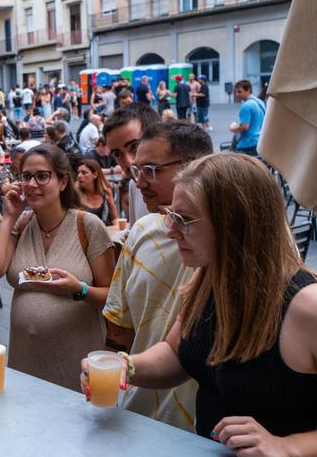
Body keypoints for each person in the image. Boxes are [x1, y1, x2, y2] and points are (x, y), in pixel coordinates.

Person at [86, 153, 317, 454]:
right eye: (171, 215)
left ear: (234, 223)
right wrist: (125, 366)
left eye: (183, 220)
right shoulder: (208, 278)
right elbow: (176, 352)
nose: (170, 230)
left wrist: (287, 447)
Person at [100, 119, 212, 432]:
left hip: (207, 429)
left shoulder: (231, 248)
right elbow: (120, 330)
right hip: (141, 414)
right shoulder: (141, 232)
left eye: (150, 170)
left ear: (196, 167)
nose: (137, 182)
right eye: (135, 170)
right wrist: (111, 374)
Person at [0, 145, 115, 391]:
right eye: (26, 176)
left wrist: (80, 289)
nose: (32, 184)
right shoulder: (21, 223)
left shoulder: (88, 225)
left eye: (42, 176)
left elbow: (113, 298)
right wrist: (10, 216)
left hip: (76, 359)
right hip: (25, 359)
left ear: (63, 182)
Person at [102, 103, 160, 225]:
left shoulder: (192, 192)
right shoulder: (134, 186)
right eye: (117, 154)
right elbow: (135, 235)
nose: (129, 162)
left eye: (134, 146)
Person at [74, 158, 118, 227]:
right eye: (78, 173)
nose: (79, 176)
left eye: (84, 172)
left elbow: (115, 219)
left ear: (95, 175)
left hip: (107, 232)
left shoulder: (106, 192)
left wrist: (116, 230)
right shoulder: (75, 194)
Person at [230, 79, 266, 156]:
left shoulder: (246, 106)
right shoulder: (261, 103)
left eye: (239, 91)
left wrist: (233, 128)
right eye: (235, 92)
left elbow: (244, 127)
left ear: (248, 90)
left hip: (247, 144)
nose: (236, 94)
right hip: (259, 142)